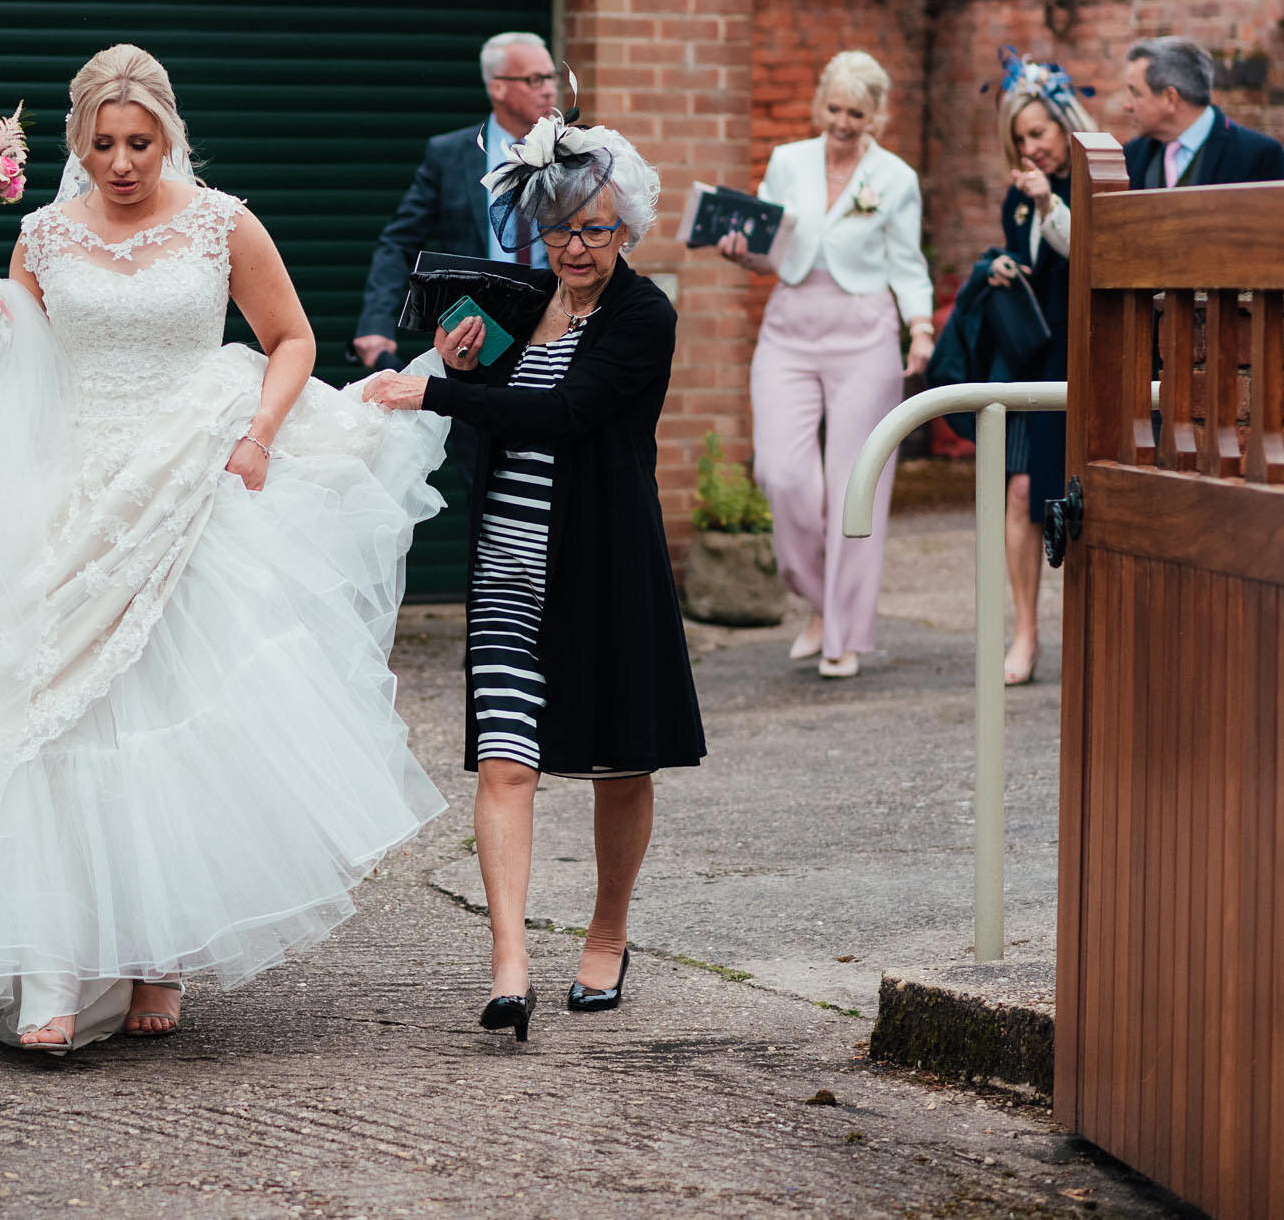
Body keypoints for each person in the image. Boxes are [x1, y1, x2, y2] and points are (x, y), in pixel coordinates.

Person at [0, 44, 450, 1052]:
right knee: (41, 721)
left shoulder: (221, 221)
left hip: (189, 475)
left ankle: (158, 953)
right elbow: (12, 363)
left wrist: (255, 436)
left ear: (169, 137)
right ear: (77, 144)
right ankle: (49, 968)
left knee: (169, 723)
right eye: (104, 143)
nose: (122, 162)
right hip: (69, 488)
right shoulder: (40, 233)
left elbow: (289, 337)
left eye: (140, 142)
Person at [362, 121, 702, 1033]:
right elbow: (493, 418)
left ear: (626, 227)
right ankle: (509, 963)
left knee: (617, 763)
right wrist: (457, 362)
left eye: (594, 228)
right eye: (557, 229)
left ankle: (608, 928)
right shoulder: (513, 305)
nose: (575, 248)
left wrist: (432, 387)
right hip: (509, 571)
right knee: (508, 764)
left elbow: (563, 415)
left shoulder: (644, 316)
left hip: (603, 568)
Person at [716, 52, 933, 680]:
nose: (842, 123)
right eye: (833, 109)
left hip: (864, 336)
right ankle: (819, 602)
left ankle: (844, 635)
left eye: (855, 114)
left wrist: (920, 329)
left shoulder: (895, 178)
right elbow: (768, 250)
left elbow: (908, 264)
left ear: (876, 116)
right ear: (821, 105)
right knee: (781, 476)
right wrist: (742, 253)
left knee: (855, 487)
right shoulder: (787, 162)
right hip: (788, 331)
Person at [352, 31, 565, 371]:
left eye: (551, 77)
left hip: (556, 330)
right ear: (497, 87)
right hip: (475, 336)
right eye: (534, 79)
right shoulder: (449, 154)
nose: (550, 89)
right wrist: (375, 324)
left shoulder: (572, 154)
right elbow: (399, 242)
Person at [985, 52, 1095, 686]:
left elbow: (1087, 252)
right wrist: (1004, 264)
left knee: (1078, 495)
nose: (1030, 148)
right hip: (1029, 359)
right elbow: (1033, 261)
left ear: (1065, 126)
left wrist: (1051, 203)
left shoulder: (1096, 177)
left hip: (1080, 357)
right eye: (1020, 139)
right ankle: (1024, 633)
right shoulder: (1017, 195)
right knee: (1022, 491)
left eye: (1039, 134)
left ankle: (1084, 628)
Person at [1119, 34, 1284, 189]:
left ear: (1170, 98)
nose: (1127, 106)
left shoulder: (1258, 156)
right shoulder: (1130, 156)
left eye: (1136, 93)